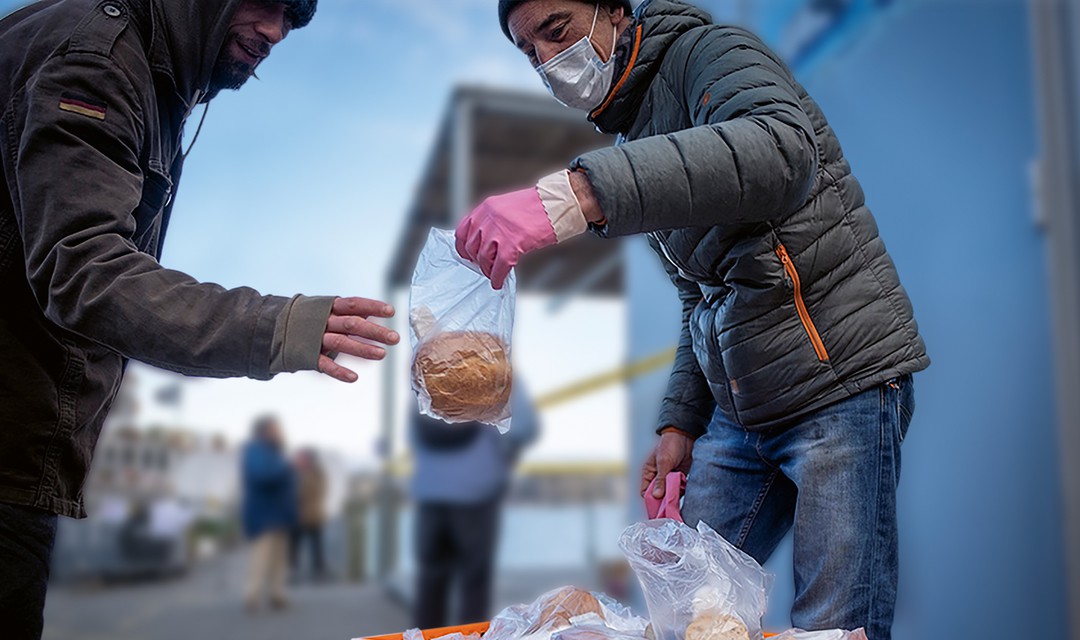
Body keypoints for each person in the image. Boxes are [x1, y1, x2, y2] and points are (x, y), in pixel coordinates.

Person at [456, 1, 930, 638]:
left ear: (613, 10)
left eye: (556, 30)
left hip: (837, 382)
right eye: (529, 51)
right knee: (685, 613)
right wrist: (681, 421)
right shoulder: (637, 134)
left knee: (832, 628)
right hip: (744, 413)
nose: (547, 60)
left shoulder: (710, 54)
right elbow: (701, 295)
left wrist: (580, 193)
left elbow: (781, 152)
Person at [0, 0, 400, 636]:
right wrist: (277, 327)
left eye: (293, 20)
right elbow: (84, 267)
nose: (274, 32)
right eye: (265, 5)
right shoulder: (99, 60)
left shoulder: (130, 61)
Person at [410, 388, 539, 628]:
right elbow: (525, 427)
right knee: (474, 582)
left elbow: (413, 431)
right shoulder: (499, 377)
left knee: (431, 580)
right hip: (476, 494)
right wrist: (505, 455)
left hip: (430, 492)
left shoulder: (428, 372)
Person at [241, 416, 296, 612]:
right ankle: (252, 595)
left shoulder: (275, 451)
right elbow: (261, 476)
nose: (279, 431)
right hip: (264, 514)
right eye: (275, 428)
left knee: (279, 559)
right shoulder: (255, 450)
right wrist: (286, 467)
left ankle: (277, 594)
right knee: (261, 557)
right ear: (265, 431)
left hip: (280, 513)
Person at [290, 447, 328, 582]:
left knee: (316, 545)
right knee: (294, 545)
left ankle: (318, 572)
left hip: (312, 514)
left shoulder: (317, 473)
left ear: (308, 460)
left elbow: (315, 491)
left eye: (301, 458)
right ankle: (293, 572)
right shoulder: (293, 472)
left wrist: (300, 488)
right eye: (298, 457)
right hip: (296, 515)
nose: (298, 460)